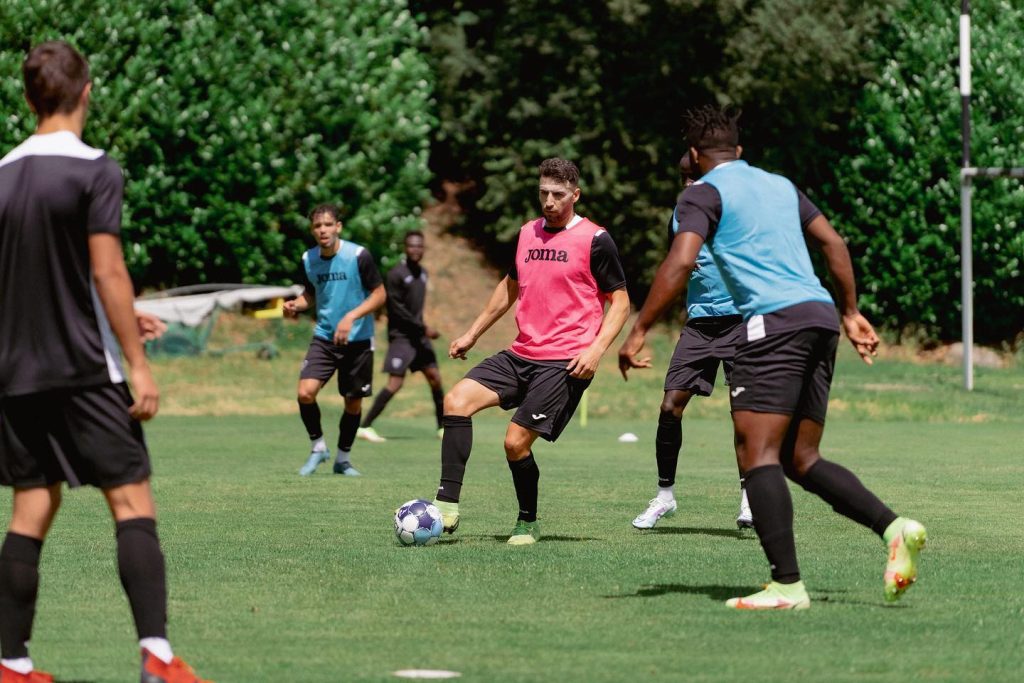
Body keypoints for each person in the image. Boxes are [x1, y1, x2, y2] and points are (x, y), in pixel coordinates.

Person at [619, 105, 926, 609]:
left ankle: (787, 585)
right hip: (820, 318)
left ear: (694, 155)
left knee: (757, 454)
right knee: (800, 459)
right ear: (739, 152)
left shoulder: (700, 193)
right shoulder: (781, 186)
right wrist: (850, 312)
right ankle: (895, 527)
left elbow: (681, 259)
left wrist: (641, 328)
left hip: (771, 324)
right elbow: (833, 243)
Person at [0, 41, 209, 682]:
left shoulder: (2, 174)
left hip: (14, 375)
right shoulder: (95, 170)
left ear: (28, 98)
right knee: (130, 502)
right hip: (88, 373)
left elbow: (40, 279)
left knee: (31, 507)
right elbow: (106, 268)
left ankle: (11, 665)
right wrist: (138, 361)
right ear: (86, 92)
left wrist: (114, 309)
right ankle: (158, 658)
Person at [430, 158, 630, 545]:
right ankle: (447, 506)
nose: (549, 202)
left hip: (565, 361)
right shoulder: (527, 233)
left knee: (514, 441)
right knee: (455, 400)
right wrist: (472, 333)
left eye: (558, 194)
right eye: (543, 193)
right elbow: (509, 287)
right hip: (522, 353)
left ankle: (527, 521)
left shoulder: (595, 239)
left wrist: (596, 350)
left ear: (575, 194)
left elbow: (620, 302)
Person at [624, 153, 752, 530]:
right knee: (669, 407)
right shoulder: (679, 216)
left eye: (692, 176)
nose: (686, 184)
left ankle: (750, 497)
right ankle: (665, 496)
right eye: (683, 178)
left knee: (743, 413)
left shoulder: (734, 212)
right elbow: (672, 266)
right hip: (698, 325)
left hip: (740, 323)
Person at [284, 204, 386, 477]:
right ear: (312, 231)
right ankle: (318, 448)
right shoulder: (309, 259)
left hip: (359, 339)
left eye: (328, 225)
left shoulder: (358, 255)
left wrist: (350, 317)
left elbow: (379, 295)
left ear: (338, 227)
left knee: (352, 403)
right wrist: (297, 305)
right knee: (305, 393)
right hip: (325, 337)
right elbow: (311, 294)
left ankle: (343, 459)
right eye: (317, 226)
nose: (323, 230)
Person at [356, 230, 445, 442]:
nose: (416, 249)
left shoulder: (423, 273)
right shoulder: (396, 274)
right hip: (402, 337)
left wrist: (422, 329)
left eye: (419, 246)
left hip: (419, 338)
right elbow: (396, 309)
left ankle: (442, 428)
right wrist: (424, 328)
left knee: (435, 379)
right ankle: (365, 426)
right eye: (412, 246)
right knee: (395, 383)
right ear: (405, 248)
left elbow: (415, 310)